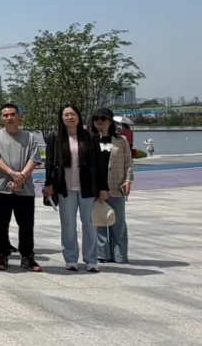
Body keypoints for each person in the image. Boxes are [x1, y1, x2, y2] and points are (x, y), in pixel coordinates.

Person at [0, 103, 41, 272]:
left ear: (19, 116)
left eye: (12, 114)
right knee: (0, 224)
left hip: (25, 188)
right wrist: (12, 174)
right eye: (5, 115)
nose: (9, 118)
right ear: (1, 118)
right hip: (0, 188)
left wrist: (20, 177)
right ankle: (2, 255)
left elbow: (34, 159)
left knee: (26, 225)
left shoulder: (29, 137)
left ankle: (27, 256)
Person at [43, 104, 99, 272]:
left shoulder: (90, 136)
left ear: (79, 116)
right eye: (66, 115)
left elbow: (99, 164)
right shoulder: (55, 138)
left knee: (90, 225)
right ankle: (71, 259)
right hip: (65, 188)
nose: (70, 117)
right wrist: (49, 184)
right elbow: (49, 162)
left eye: (73, 114)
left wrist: (102, 188)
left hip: (87, 188)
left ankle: (91, 260)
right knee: (68, 225)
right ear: (61, 118)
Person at [91, 108, 134, 265]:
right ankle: (102, 254)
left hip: (117, 185)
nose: (100, 122)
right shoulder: (90, 139)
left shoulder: (121, 140)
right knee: (98, 221)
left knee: (118, 222)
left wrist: (128, 180)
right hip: (95, 186)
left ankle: (119, 255)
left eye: (103, 119)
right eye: (96, 119)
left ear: (110, 121)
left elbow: (128, 162)